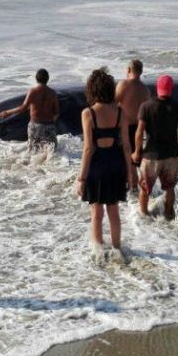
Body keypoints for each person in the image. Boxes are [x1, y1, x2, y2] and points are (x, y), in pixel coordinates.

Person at [76, 68, 136, 251]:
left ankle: (98, 250)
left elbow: (88, 148)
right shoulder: (120, 112)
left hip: (97, 166)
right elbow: (127, 146)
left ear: (92, 90)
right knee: (114, 211)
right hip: (116, 164)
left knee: (96, 212)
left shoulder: (88, 113)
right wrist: (131, 172)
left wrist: (81, 178)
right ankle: (117, 249)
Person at [131, 75, 178, 220]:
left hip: (151, 155)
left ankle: (143, 215)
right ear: (172, 89)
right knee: (169, 188)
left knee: (144, 188)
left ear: (157, 88)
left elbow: (139, 132)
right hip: (171, 155)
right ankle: (169, 215)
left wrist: (137, 151)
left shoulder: (146, 106)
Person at [0, 69, 60, 151]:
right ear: (48, 78)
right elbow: (57, 112)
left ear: (36, 79)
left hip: (35, 125)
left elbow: (23, 107)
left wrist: (7, 112)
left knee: (32, 151)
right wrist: (50, 122)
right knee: (51, 151)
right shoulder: (53, 93)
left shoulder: (33, 91)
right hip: (49, 125)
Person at [115, 60, 150, 183]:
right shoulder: (145, 89)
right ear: (141, 72)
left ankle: (128, 191)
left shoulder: (123, 85)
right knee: (133, 164)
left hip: (125, 128)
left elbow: (112, 106)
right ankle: (136, 190)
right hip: (139, 130)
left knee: (124, 163)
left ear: (129, 70)